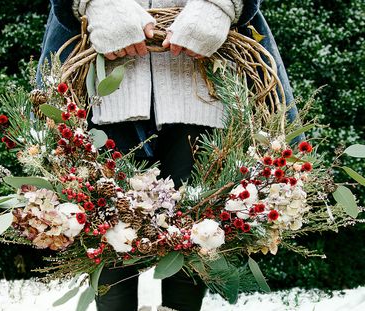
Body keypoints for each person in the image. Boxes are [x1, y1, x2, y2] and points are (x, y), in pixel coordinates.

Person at [37, 1, 298, 310]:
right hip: (102, 79)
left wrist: (220, 5)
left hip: (202, 80)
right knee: (102, 223)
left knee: (199, 226)